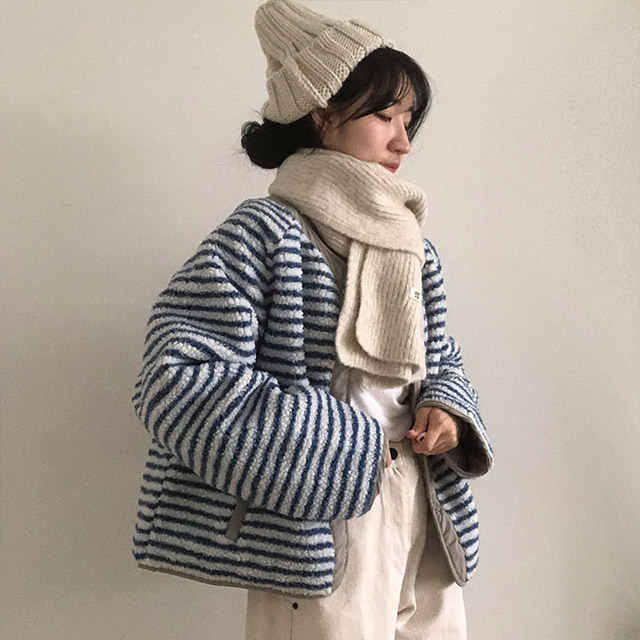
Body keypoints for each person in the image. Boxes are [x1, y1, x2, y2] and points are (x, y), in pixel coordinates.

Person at [130, 1, 493, 638]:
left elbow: (440, 355)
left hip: (422, 504)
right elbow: (177, 377)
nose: (403, 141)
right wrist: (344, 447)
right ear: (323, 112)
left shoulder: (412, 244)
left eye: (409, 120)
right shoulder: (265, 233)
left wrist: (446, 406)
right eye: (385, 116)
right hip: (317, 515)